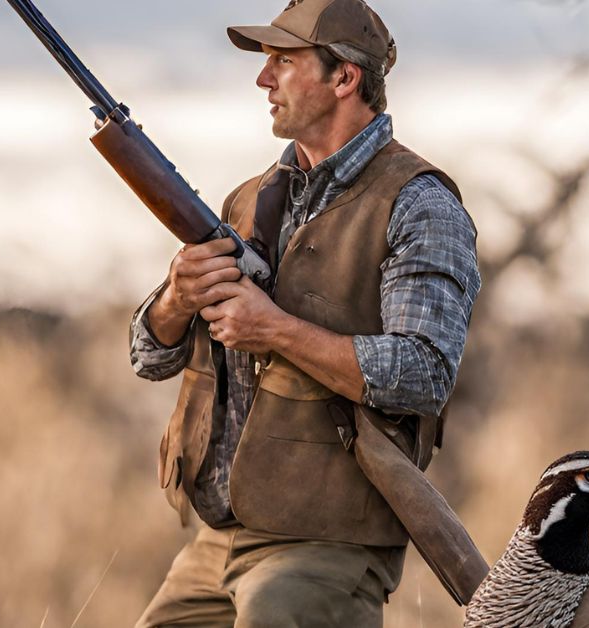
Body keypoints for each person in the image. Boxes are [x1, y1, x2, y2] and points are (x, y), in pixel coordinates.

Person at [127, 0, 480, 625]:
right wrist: (176, 298)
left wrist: (274, 328)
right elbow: (147, 356)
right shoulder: (248, 198)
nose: (263, 80)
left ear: (344, 78)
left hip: (329, 538)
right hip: (217, 536)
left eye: (283, 63)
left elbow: (424, 374)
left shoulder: (420, 203)